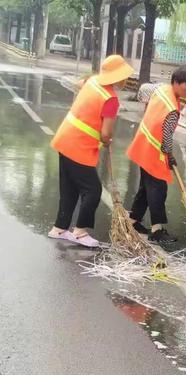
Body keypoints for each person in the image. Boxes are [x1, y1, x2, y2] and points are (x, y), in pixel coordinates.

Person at [48, 54, 134, 247]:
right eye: (123, 75)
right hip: (79, 146)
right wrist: (107, 141)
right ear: (117, 77)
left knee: (69, 189)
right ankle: (80, 232)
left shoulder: (93, 81)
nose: (125, 79)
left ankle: (59, 229)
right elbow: (106, 133)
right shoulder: (111, 99)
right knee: (93, 190)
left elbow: (81, 83)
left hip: (65, 139)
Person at [127, 67, 186, 244]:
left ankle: (133, 221)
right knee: (158, 190)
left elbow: (143, 89)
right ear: (175, 83)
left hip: (143, 145)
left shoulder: (161, 89)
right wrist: (169, 155)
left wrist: (146, 105)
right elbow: (166, 137)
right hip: (153, 153)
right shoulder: (173, 108)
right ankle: (157, 230)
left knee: (146, 188)